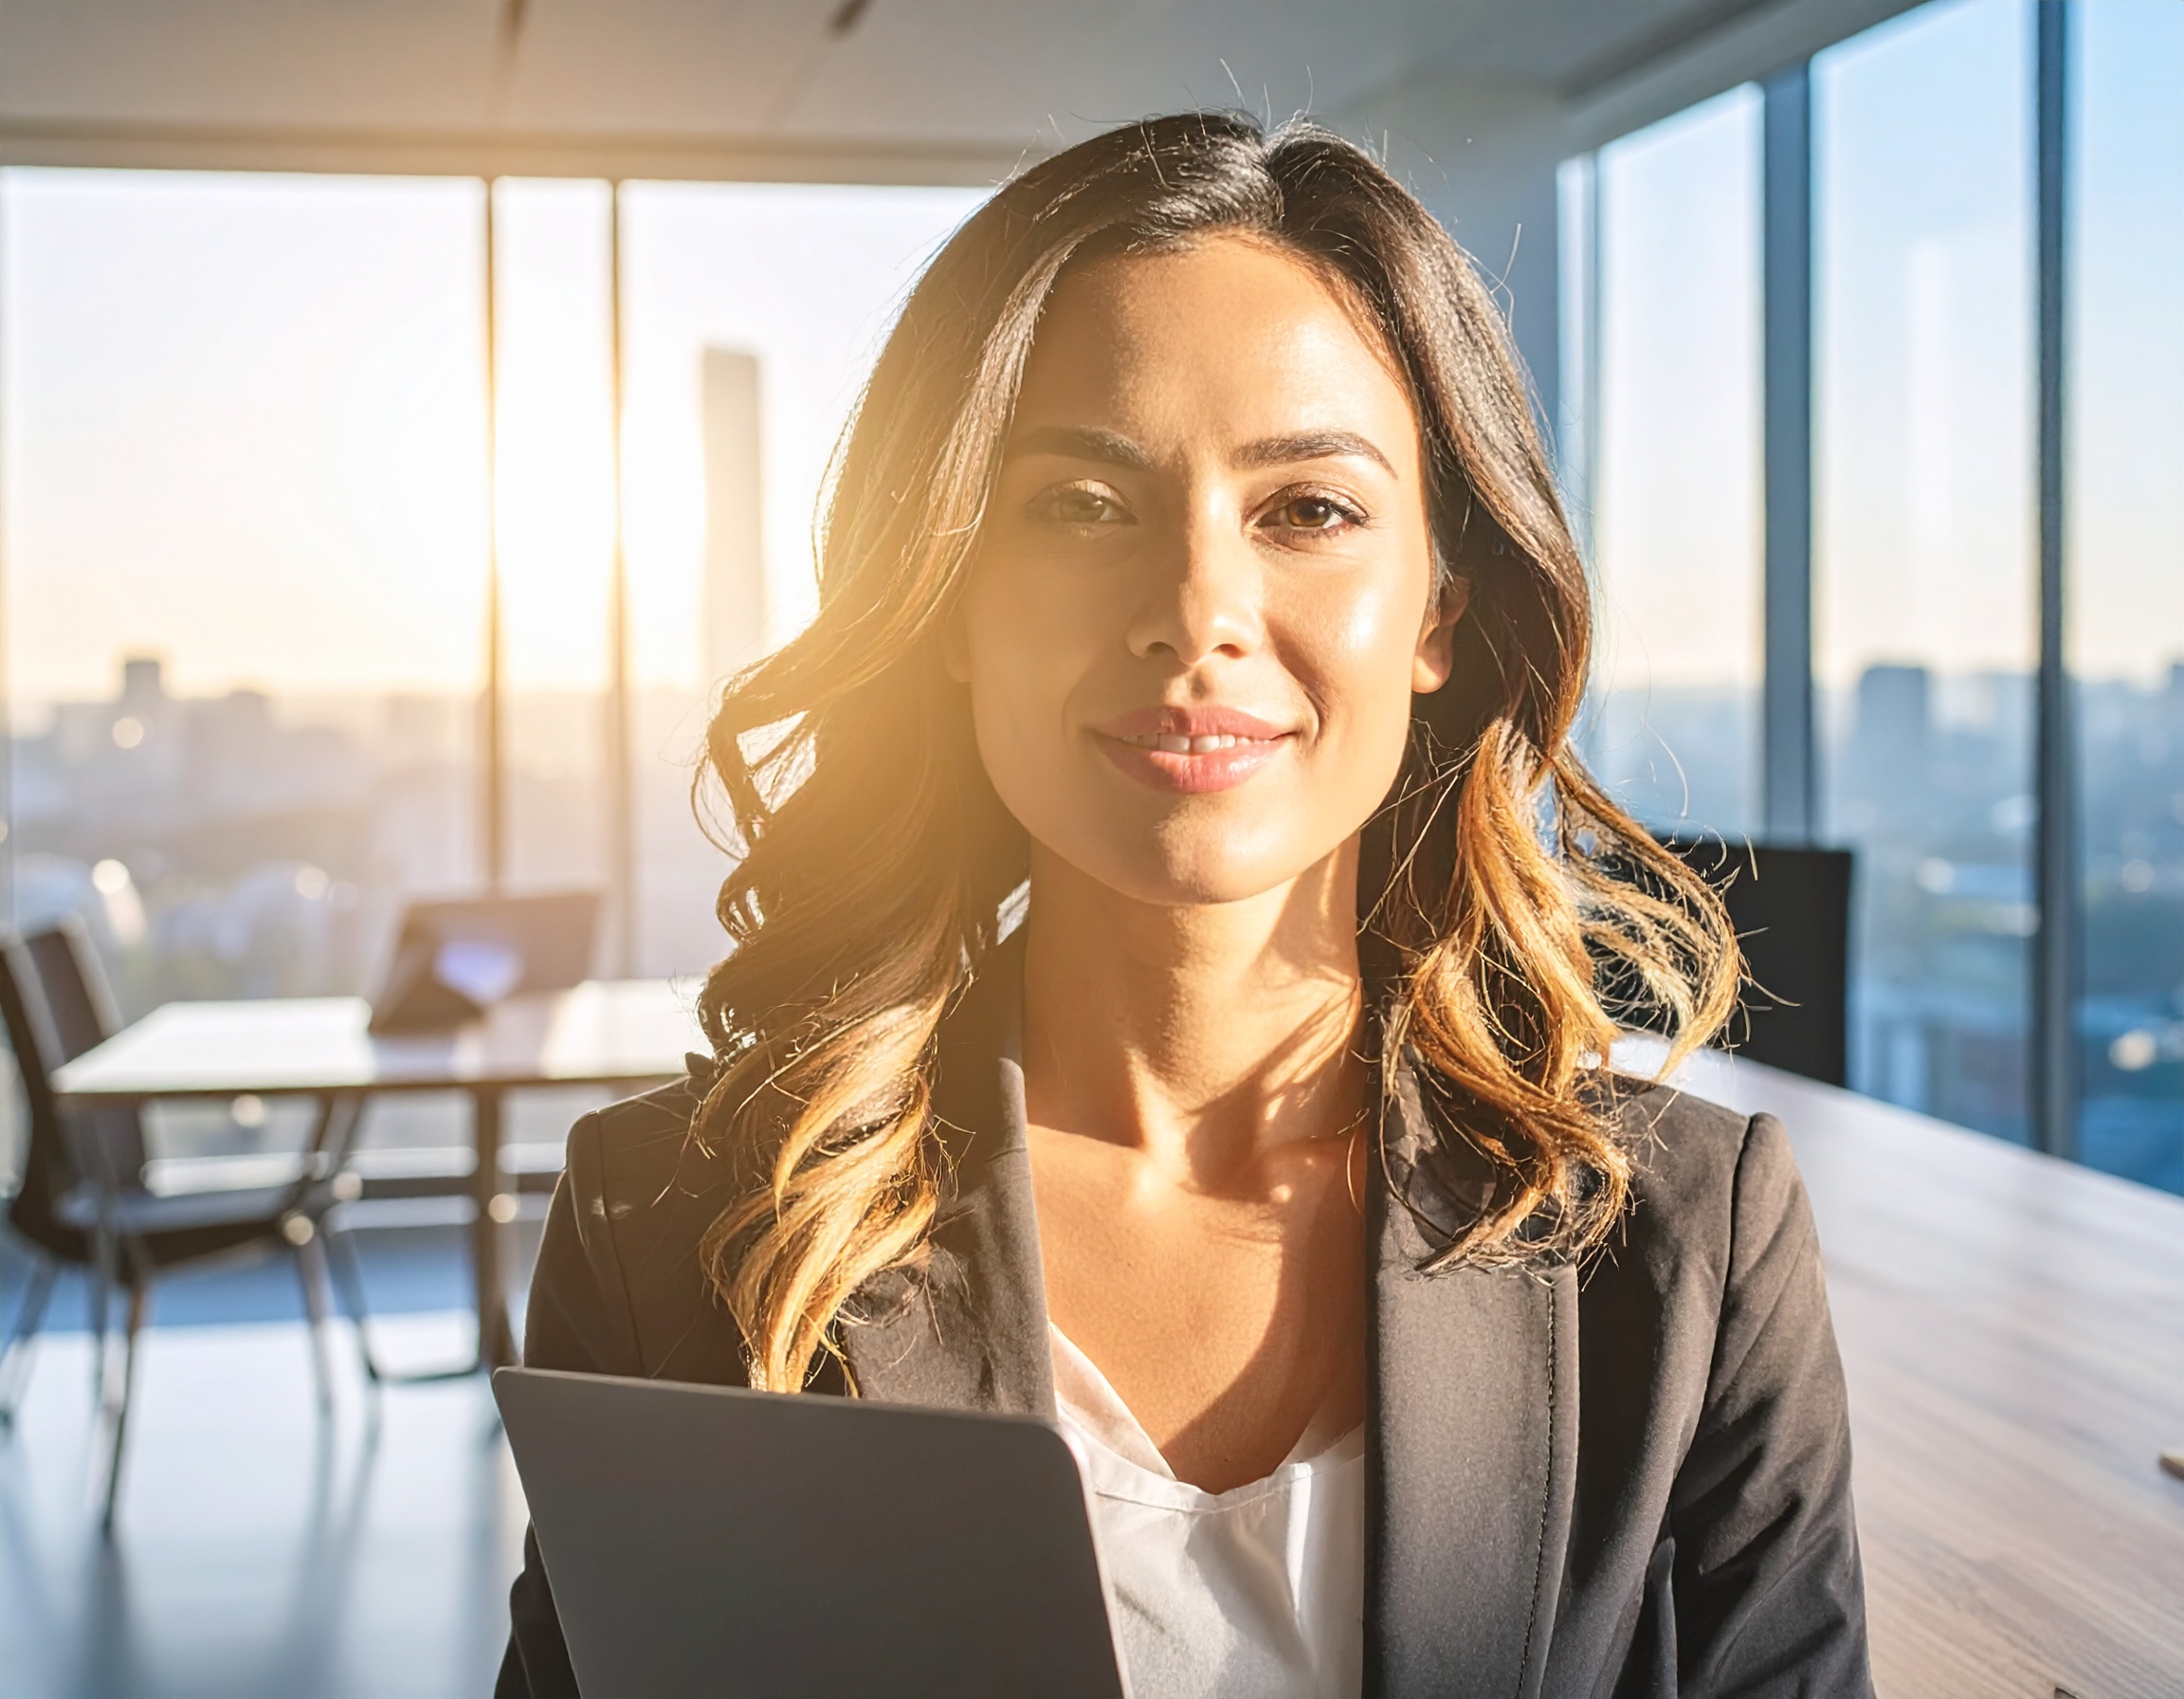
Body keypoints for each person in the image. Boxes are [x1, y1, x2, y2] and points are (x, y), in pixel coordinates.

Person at [498, 112, 1871, 1699]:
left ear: (1442, 604)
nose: (1194, 613)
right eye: (1083, 506)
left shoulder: (1688, 1247)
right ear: (949, 598)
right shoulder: (669, 1224)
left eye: (1307, 510)